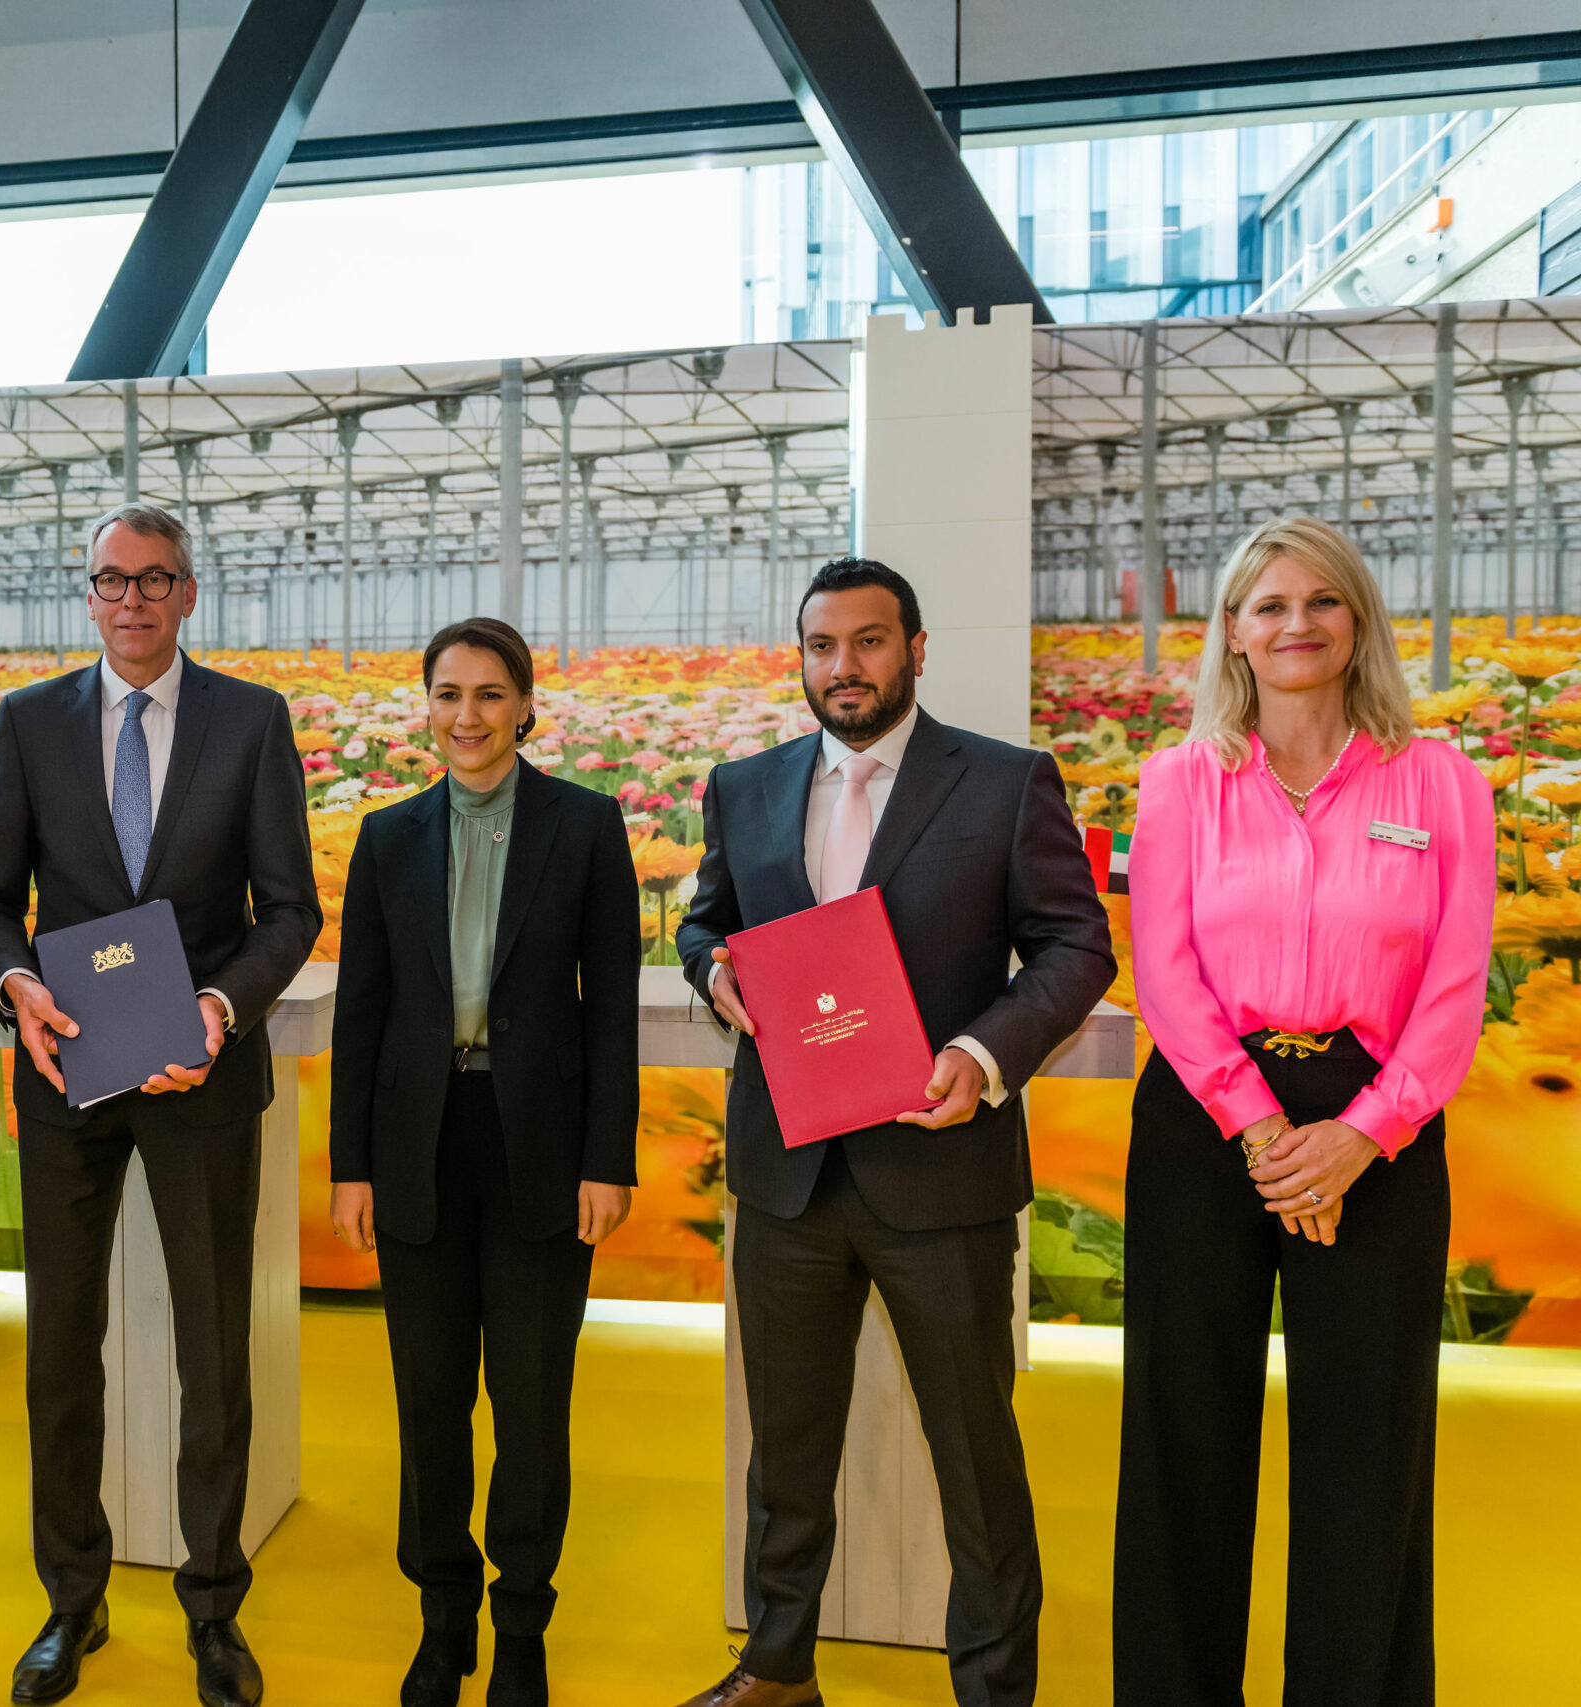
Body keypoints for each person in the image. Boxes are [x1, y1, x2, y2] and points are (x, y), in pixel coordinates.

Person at [670, 559, 1116, 1707]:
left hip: (942, 1174)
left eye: (868, 643)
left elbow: (1074, 948)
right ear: (802, 658)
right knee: (787, 1451)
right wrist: (714, 974)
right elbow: (706, 922)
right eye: (823, 646)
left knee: (974, 1456)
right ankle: (777, 1667)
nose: (843, 668)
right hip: (786, 1179)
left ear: (915, 649)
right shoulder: (747, 785)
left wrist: (979, 1056)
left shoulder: (1007, 784)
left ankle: (993, 1687)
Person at [1114, 516, 1488, 1707]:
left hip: (1373, 1124)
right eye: (1268, 605)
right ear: (1231, 631)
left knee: (1364, 1444)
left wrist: (1360, 1135)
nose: (1296, 625)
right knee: (1183, 1437)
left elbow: (1455, 986)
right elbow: (1164, 972)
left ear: (1358, 621)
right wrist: (1263, 1132)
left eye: (1322, 602)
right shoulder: (1179, 780)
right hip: (1207, 1117)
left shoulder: (1440, 782)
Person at [0, 504, 320, 1707]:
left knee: (216, 1358)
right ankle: (72, 1603)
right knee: (60, 1351)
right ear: (88, 594)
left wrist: (218, 1011)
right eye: (111, 580)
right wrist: (16, 986)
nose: (131, 599)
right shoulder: (28, 723)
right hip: (67, 1077)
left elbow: (288, 910)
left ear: (188, 594)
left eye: (154, 579)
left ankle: (214, 1609)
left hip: (200, 1077)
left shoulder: (251, 722)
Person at [328, 618, 642, 1707]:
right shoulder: (387, 837)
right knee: (428, 1403)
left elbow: (610, 1015)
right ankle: (442, 1614)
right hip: (418, 1145)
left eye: (490, 695)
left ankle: (522, 1621)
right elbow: (361, 1014)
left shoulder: (586, 826)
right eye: (449, 694)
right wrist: (350, 1167)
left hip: (540, 1151)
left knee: (529, 1399)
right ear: (425, 706)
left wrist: (608, 1161)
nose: (467, 716)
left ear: (525, 706)